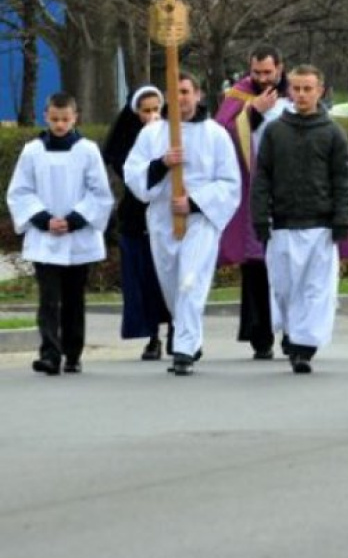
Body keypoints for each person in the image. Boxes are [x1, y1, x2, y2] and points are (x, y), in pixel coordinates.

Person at [124, 73, 241, 376]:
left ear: (198, 94)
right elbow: (133, 173)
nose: (181, 99)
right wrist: (161, 164)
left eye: (186, 92)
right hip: (163, 219)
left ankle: (184, 350)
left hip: (200, 220)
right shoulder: (152, 134)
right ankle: (190, 335)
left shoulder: (215, 135)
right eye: (175, 93)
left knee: (191, 281)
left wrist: (195, 202)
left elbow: (230, 184)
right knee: (173, 285)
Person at [251, 64, 348, 375]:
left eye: (308, 89)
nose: (301, 94)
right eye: (296, 89)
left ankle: (304, 347)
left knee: (315, 289)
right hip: (283, 223)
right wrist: (259, 216)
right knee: (284, 288)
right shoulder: (275, 131)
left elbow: (343, 178)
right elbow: (262, 178)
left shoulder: (332, 132)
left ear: (319, 91)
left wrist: (342, 217)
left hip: (319, 225)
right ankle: (291, 332)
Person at [6, 93, 114, 376]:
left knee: (74, 299)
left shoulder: (87, 151)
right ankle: (50, 354)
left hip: (77, 237)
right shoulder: (32, 151)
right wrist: (43, 219)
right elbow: (19, 191)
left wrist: (75, 219)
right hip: (46, 238)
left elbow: (100, 193)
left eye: (65, 119)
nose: (60, 125)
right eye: (54, 119)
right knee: (49, 299)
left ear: (75, 117)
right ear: (46, 116)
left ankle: (73, 353)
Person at [215, 45, 290, 361]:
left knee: (289, 264)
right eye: (256, 72)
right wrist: (253, 112)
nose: (261, 78)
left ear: (280, 68)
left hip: (288, 190)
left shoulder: (295, 93)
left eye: (267, 72)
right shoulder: (239, 96)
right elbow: (222, 134)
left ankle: (293, 332)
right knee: (257, 264)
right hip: (253, 188)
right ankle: (260, 335)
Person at [102, 85, 172, 361]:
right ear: (136, 113)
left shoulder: (171, 133)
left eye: (157, 109)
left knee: (169, 275)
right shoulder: (129, 139)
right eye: (146, 110)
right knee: (144, 279)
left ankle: (178, 330)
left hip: (168, 212)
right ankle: (152, 335)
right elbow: (128, 170)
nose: (153, 115)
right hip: (136, 214)